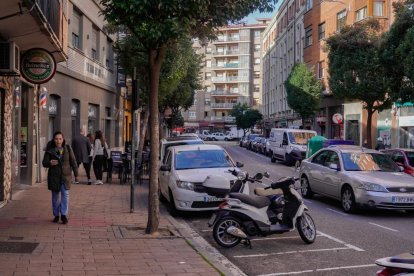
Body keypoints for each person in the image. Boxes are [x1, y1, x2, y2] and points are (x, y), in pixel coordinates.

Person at [42, 131, 78, 224]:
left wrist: (76, 173)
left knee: (65, 194)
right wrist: (50, 163)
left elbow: (73, 161)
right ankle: (56, 215)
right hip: (54, 176)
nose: (58, 141)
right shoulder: (50, 149)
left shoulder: (67, 148)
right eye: (56, 139)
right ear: (54, 140)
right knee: (55, 196)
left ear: (63, 139)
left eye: (60, 139)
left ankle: (63, 215)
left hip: (65, 176)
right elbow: (44, 163)